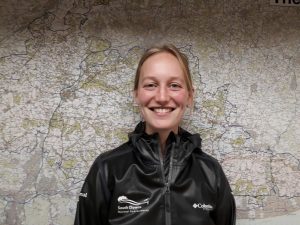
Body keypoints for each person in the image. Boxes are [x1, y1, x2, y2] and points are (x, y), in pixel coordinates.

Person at [74, 44, 236, 225]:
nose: (162, 97)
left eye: (174, 85)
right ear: (136, 94)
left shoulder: (211, 172)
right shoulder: (106, 169)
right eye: (151, 85)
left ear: (190, 96)